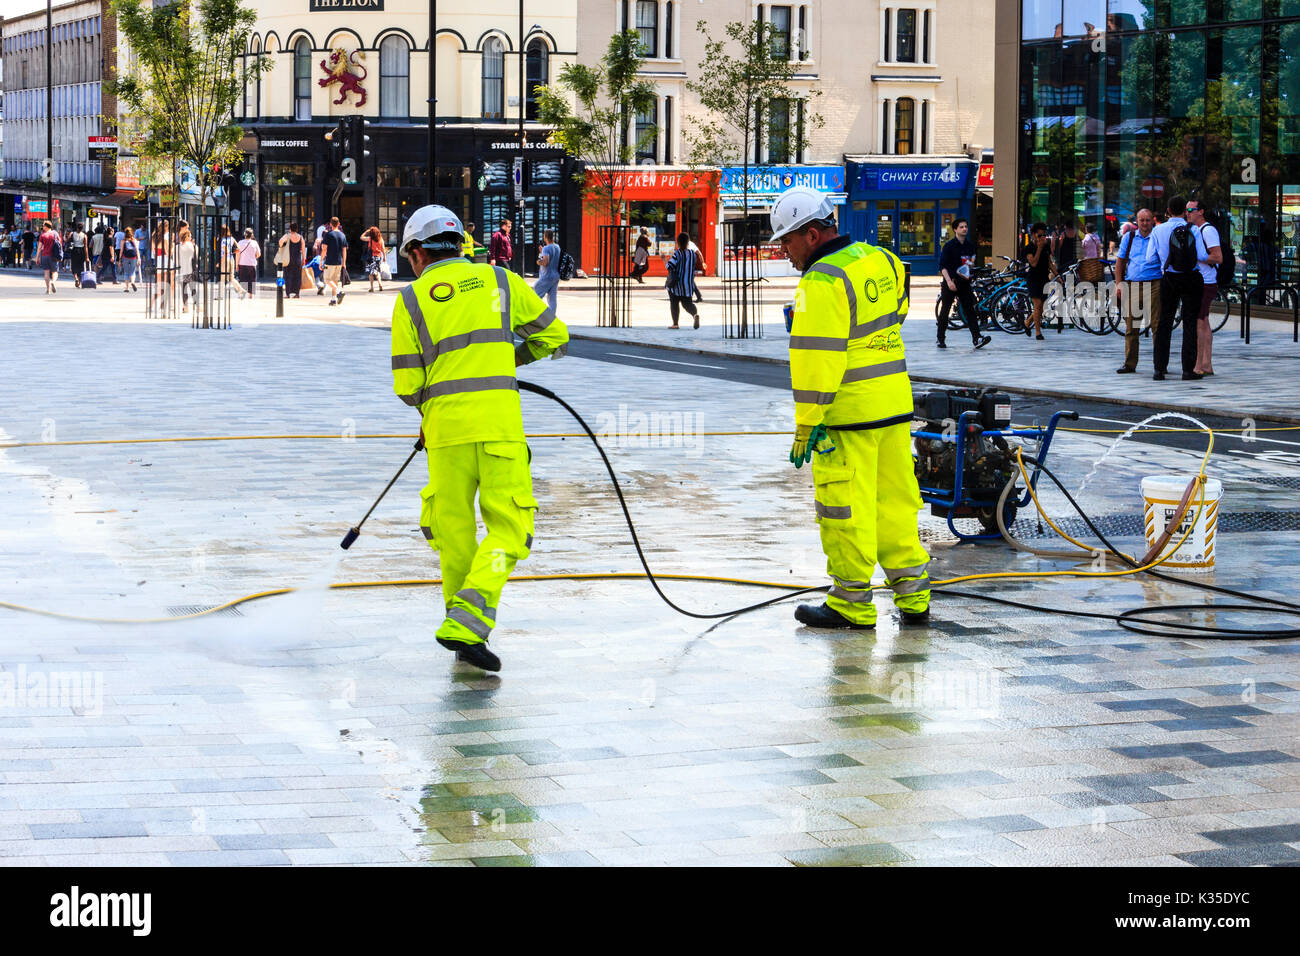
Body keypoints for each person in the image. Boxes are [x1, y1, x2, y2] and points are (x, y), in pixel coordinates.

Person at [389, 204, 569, 673]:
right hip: (499, 429)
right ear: (460, 245)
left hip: (445, 434)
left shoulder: (410, 299)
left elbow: (407, 386)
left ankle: (462, 626)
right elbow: (555, 336)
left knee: (452, 531)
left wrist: (434, 404)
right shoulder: (502, 282)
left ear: (416, 253)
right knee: (509, 526)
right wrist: (512, 359)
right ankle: (468, 623)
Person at [769, 185, 931, 630]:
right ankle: (914, 598)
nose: (785, 252)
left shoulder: (821, 280)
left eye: (786, 240)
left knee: (845, 509)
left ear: (812, 235)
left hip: (848, 416)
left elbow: (815, 360)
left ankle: (851, 604)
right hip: (895, 406)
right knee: (895, 505)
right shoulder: (880, 258)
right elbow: (895, 310)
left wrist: (807, 425)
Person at [1150, 195, 1203, 380]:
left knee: (1164, 322)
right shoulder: (1193, 230)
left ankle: (1159, 369)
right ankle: (1188, 370)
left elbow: (1150, 257)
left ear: (1168, 211)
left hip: (1169, 278)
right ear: (1184, 211)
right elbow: (1202, 254)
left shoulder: (1158, 230)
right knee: (1190, 323)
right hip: (1191, 277)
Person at [1113, 208, 1162, 374]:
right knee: (1131, 326)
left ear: (1152, 221)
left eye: (1148, 220)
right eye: (1142, 220)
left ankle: (1159, 365)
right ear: (1137, 221)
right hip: (1133, 285)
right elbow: (1120, 262)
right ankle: (1129, 363)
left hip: (1155, 284)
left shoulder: (1157, 237)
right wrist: (1118, 284)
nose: (1145, 223)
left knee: (1157, 325)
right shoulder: (1130, 237)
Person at [937, 218, 992, 350]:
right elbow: (942, 266)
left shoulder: (969, 245)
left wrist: (970, 272)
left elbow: (970, 262)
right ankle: (941, 339)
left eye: (966, 226)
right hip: (951, 282)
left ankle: (977, 337)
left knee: (970, 310)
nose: (964, 229)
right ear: (955, 229)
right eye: (961, 227)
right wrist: (949, 282)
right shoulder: (949, 246)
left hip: (964, 283)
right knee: (945, 311)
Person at [1186, 201, 1222, 377]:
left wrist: (1196, 257)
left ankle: (1198, 364)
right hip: (1202, 281)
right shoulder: (1197, 230)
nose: (1187, 213)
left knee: (1199, 323)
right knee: (1204, 322)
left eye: (1191, 210)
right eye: (1186, 210)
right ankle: (1207, 364)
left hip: (1206, 282)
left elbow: (1217, 257)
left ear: (1201, 211)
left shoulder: (1207, 230)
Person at [664, 232, 703, 329]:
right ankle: (695, 315)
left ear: (678, 242)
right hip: (688, 284)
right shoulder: (692, 254)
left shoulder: (677, 254)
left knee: (674, 303)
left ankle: (675, 324)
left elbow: (670, 267)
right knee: (687, 304)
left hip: (676, 284)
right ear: (688, 242)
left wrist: (664, 259)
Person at [1023, 222, 1052, 340]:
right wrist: (1039, 249)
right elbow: (1033, 263)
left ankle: (1027, 322)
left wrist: (1058, 275)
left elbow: (1050, 262)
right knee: (1038, 304)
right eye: (1040, 235)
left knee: (1040, 307)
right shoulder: (1029, 248)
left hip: (1044, 278)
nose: (1042, 238)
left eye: (1044, 235)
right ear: (1034, 235)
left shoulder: (1046, 246)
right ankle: (1038, 332)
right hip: (1033, 279)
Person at [321, 216, 348, 305]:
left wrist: (321, 261)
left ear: (330, 224)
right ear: (339, 224)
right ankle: (333, 299)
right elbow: (344, 250)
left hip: (330, 261)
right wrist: (344, 262)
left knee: (327, 279)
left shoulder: (328, 235)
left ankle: (339, 292)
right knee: (335, 281)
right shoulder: (342, 235)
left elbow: (324, 249)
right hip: (339, 261)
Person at [533, 230, 562, 314]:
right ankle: (552, 317)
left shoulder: (546, 248)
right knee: (552, 299)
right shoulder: (557, 247)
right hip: (555, 276)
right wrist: (542, 252)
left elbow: (545, 262)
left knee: (536, 296)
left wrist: (538, 262)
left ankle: (535, 315)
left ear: (545, 237)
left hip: (546, 276)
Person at [278, 223, 307, 298]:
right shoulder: (300, 237)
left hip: (288, 259)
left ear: (290, 229)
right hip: (297, 259)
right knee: (297, 276)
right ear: (297, 229)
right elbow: (303, 249)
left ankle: (288, 294)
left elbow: (280, 242)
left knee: (288, 276)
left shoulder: (287, 236)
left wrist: (282, 246)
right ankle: (297, 294)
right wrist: (303, 259)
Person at [151, 221, 173, 313]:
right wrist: (172, 247)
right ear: (167, 227)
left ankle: (151, 304)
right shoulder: (165, 238)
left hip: (158, 260)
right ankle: (165, 304)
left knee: (159, 285)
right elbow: (169, 252)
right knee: (169, 284)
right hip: (166, 260)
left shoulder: (154, 237)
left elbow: (154, 251)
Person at [176, 226, 198, 312]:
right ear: (187, 236)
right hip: (190, 270)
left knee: (183, 290)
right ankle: (196, 305)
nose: (191, 237)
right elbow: (195, 257)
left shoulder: (177, 247)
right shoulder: (192, 246)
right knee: (193, 288)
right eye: (190, 236)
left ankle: (185, 307)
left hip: (181, 271)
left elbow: (176, 260)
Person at [37, 221, 61, 294]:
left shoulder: (43, 235)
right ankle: (53, 282)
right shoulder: (55, 234)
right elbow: (59, 244)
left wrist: (37, 257)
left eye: (43, 226)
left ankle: (48, 290)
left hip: (45, 256)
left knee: (46, 273)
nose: (43, 227)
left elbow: (39, 247)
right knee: (55, 272)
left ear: (46, 226)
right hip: (54, 256)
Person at [236, 227, 261, 297]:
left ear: (244, 235)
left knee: (243, 279)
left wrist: (236, 265)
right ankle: (251, 295)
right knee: (252, 279)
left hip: (242, 263)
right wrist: (253, 257)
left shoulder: (240, 243)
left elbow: (237, 254)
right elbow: (258, 254)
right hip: (252, 264)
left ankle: (242, 294)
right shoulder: (255, 243)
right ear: (252, 235)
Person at [362, 226, 386, 293]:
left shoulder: (370, 239)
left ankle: (372, 288)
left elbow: (361, 237)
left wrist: (366, 232)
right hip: (378, 257)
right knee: (377, 272)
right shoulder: (381, 239)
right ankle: (380, 284)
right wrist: (384, 257)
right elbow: (383, 249)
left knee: (371, 273)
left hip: (371, 258)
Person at [119, 224, 141, 292]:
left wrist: (119, 260)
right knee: (132, 271)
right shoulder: (134, 240)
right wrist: (139, 258)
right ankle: (132, 282)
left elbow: (121, 250)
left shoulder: (123, 241)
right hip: (133, 257)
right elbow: (137, 249)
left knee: (126, 272)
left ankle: (127, 288)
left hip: (125, 257)